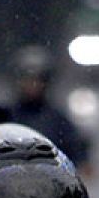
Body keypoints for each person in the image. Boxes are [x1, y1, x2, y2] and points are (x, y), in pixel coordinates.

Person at [8, 44, 91, 174]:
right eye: (27, 79)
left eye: (38, 80)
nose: (32, 85)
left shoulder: (58, 120)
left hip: (51, 186)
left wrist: (83, 159)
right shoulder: (5, 116)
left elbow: (76, 147)